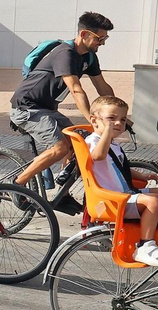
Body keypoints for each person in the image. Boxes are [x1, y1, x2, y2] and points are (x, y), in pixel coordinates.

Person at [10, 12, 117, 206]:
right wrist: (95, 120)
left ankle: (62, 196)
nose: (102, 43)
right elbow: (76, 90)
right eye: (99, 38)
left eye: (105, 38)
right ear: (84, 34)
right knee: (60, 148)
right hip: (27, 108)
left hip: (47, 109)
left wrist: (119, 115)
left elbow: (102, 87)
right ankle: (17, 184)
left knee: (79, 146)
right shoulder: (64, 53)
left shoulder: (89, 57)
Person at [83, 96, 158, 267]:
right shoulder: (92, 141)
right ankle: (145, 245)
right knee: (154, 201)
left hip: (125, 195)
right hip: (112, 201)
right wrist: (107, 134)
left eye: (122, 120)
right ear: (94, 120)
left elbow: (119, 167)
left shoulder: (112, 144)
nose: (118, 123)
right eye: (111, 118)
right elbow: (98, 156)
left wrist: (142, 176)